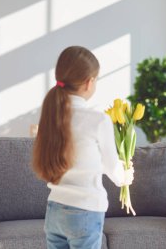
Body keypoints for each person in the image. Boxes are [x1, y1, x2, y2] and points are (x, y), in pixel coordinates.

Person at [32, 46, 134, 249]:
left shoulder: (51, 117)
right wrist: (126, 175)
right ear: (89, 82)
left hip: (54, 210)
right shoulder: (97, 120)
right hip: (85, 210)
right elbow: (113, 170)